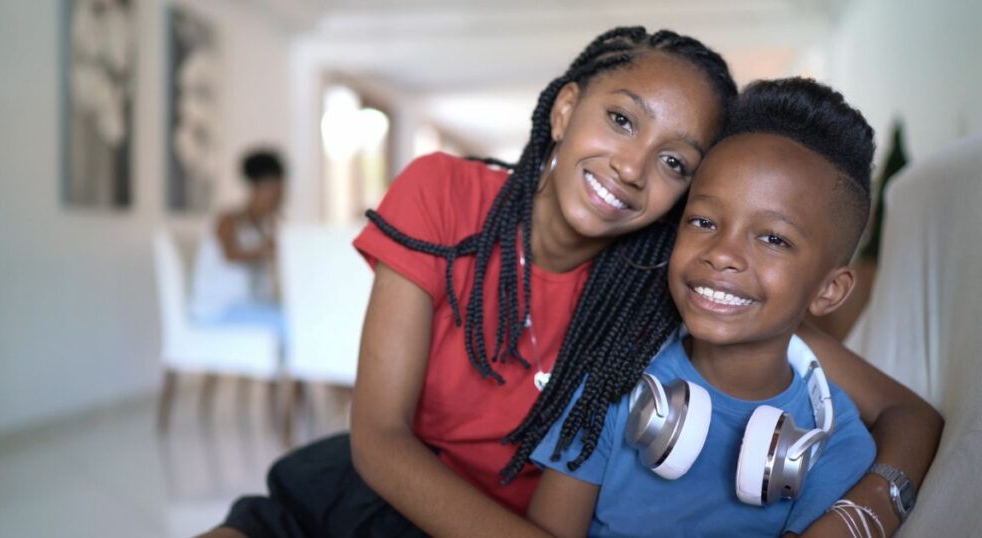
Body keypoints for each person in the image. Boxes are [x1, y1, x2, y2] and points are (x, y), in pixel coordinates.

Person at [200, 27, 940, 538]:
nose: (632, 165)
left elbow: (908, 417)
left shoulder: (672, 278)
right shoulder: (444, 195)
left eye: (676, 162)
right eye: (621, 120)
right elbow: (380, 437)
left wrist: (867, 509)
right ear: (564, 109)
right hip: (377, 490)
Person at [527, 78, 878, 537]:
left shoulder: (838, 447)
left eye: (773, 238)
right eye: (704, 221)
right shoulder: (611, 381)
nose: (722, 253)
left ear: (829, 290)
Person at [190, 149, 285, 336]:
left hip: (249, 307)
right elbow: (229, 254)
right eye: (275, 191)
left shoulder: (264, 227)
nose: (279, 198)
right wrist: (265, 251)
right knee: (290, 324)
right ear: (258, 187)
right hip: (218, 310)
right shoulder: (228, 220)